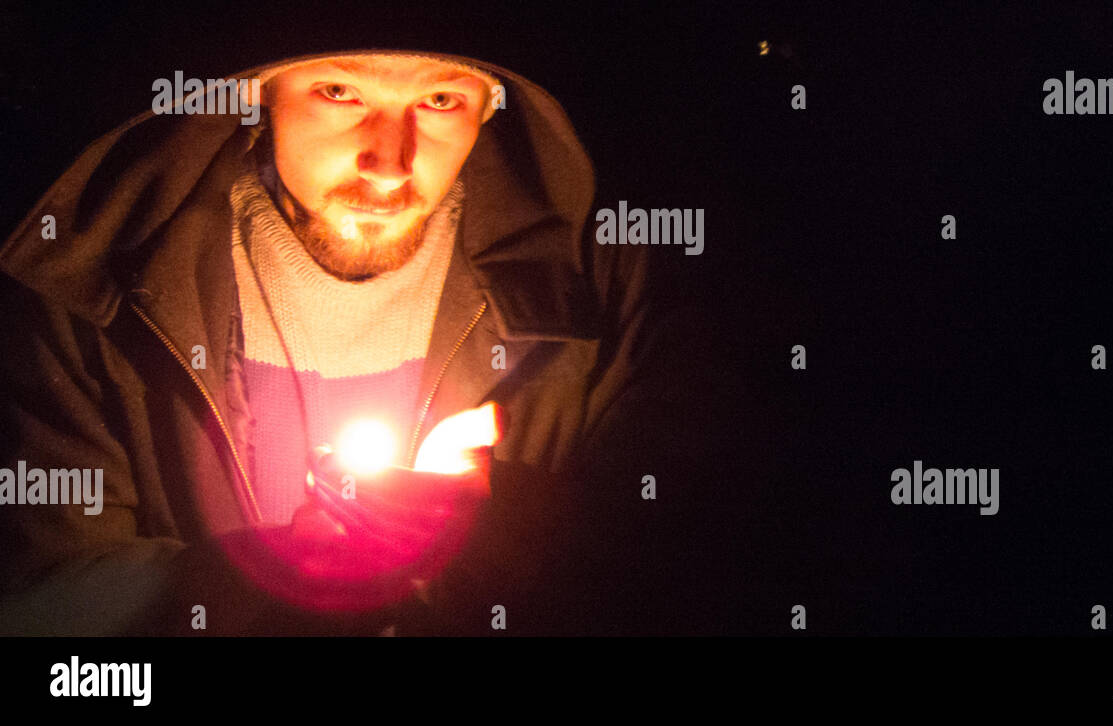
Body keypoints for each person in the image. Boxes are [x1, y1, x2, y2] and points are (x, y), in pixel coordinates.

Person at [0, 50, 725, 635]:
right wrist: (271, 581)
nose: (389, 160)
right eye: (340, 92)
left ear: (490, 106)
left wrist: (498, 531)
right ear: (262, 92)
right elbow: (40, 601)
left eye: (440, 101)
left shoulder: (598, 273)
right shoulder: (97, 282)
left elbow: (696, 559)